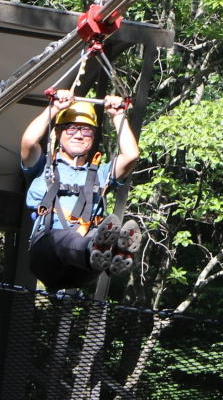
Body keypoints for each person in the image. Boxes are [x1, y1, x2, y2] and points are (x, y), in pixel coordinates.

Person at [20, 90, 143, 291]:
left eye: (86, 130)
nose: (78, 134)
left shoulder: (100, 174)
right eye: (70, 128)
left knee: (94, 235)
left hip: (84, 268)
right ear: (58, 132)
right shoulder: (42, 166)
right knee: (60, 237)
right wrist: (55, 108)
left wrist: (118, 115)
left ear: (92, 136)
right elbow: (29, 142)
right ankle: (102, 250)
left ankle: (112, 254)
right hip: (46, 256)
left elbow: (131, 155)